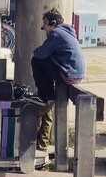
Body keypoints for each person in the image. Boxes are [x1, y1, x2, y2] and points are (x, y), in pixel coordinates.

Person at [31, 9, 86, 153]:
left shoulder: (56, 33)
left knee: (36, 61)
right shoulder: (68, 32)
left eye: (46, 26)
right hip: (76, 73)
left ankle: (45, 94)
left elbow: (41, 54)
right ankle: (47, 94)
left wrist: (38, 51)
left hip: (68, 74)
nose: (45, 31)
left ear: (53, 23)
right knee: (47, 111)